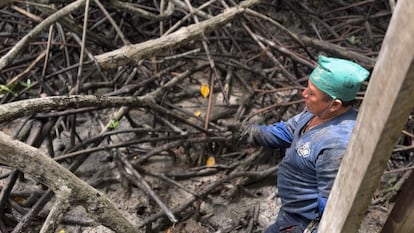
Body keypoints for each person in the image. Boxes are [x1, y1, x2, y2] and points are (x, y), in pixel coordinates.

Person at [241, 55, 370, 233]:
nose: (304, 94)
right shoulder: (315, 112)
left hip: (303, 224)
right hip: (289, 215)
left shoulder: (337, 144)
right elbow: (287, 131)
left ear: (335, 105)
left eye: (311, 93)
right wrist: (249, 133)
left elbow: (331, 203)